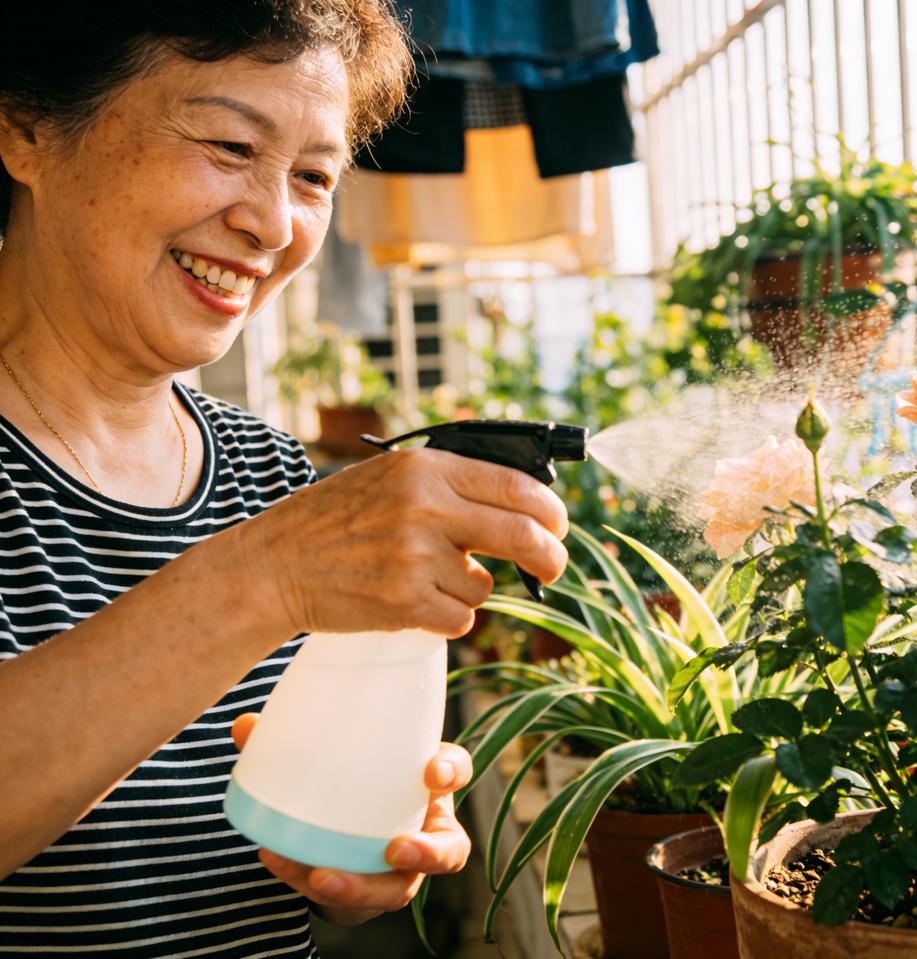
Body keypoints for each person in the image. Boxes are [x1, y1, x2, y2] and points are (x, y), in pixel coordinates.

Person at [0, 3, 570, 956]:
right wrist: (264, 576)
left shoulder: (267, 470)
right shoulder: (289, 537)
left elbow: (282, 847)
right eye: (229, 145)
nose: (272, 223)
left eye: (313, 177)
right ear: (26, 127)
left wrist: (358, 852)